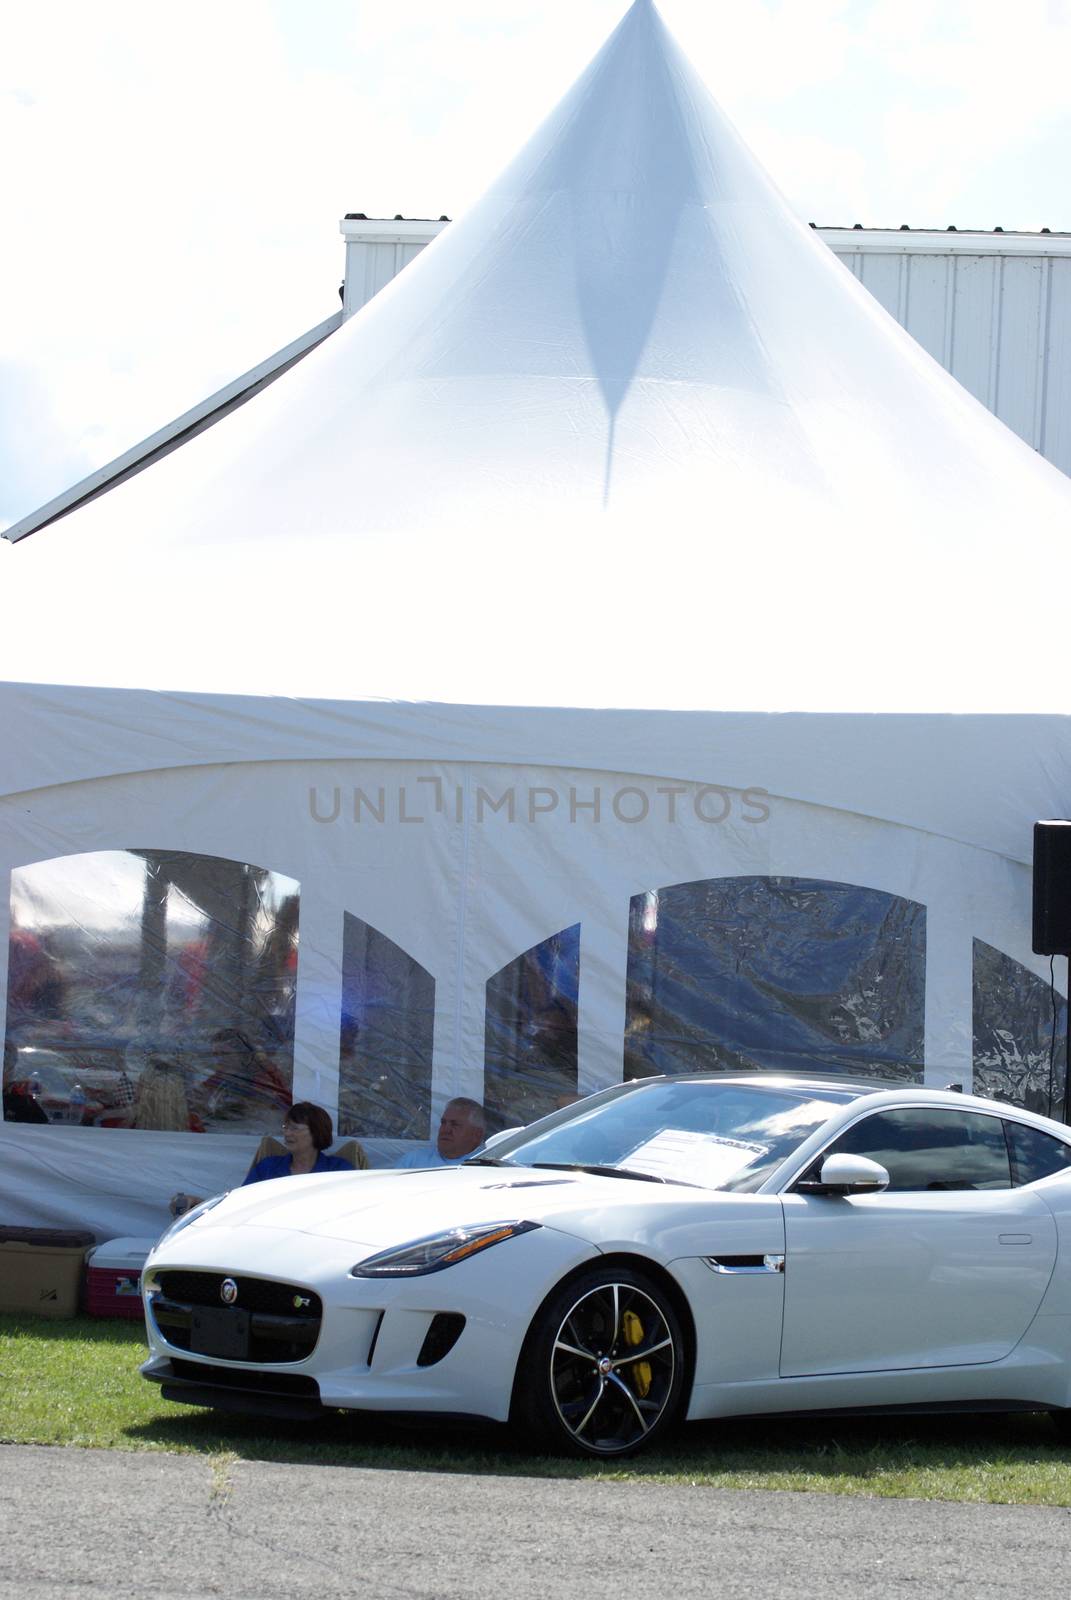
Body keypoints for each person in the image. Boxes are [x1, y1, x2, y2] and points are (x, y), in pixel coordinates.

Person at [170, 1101, 349, 1216]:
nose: (287, 1133)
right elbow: (239, 1207)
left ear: (316, 1132)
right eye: (285, 1127)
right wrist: (198, 1204)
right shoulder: (268, 1167)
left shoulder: (339, 1171)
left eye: (294, 1128)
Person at [395, 1096, 486, 1168]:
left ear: (476, 1135)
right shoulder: (413, 1161)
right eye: (443, 1123)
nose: (445, 1130)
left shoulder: (489, 1166)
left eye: (455, 1124)